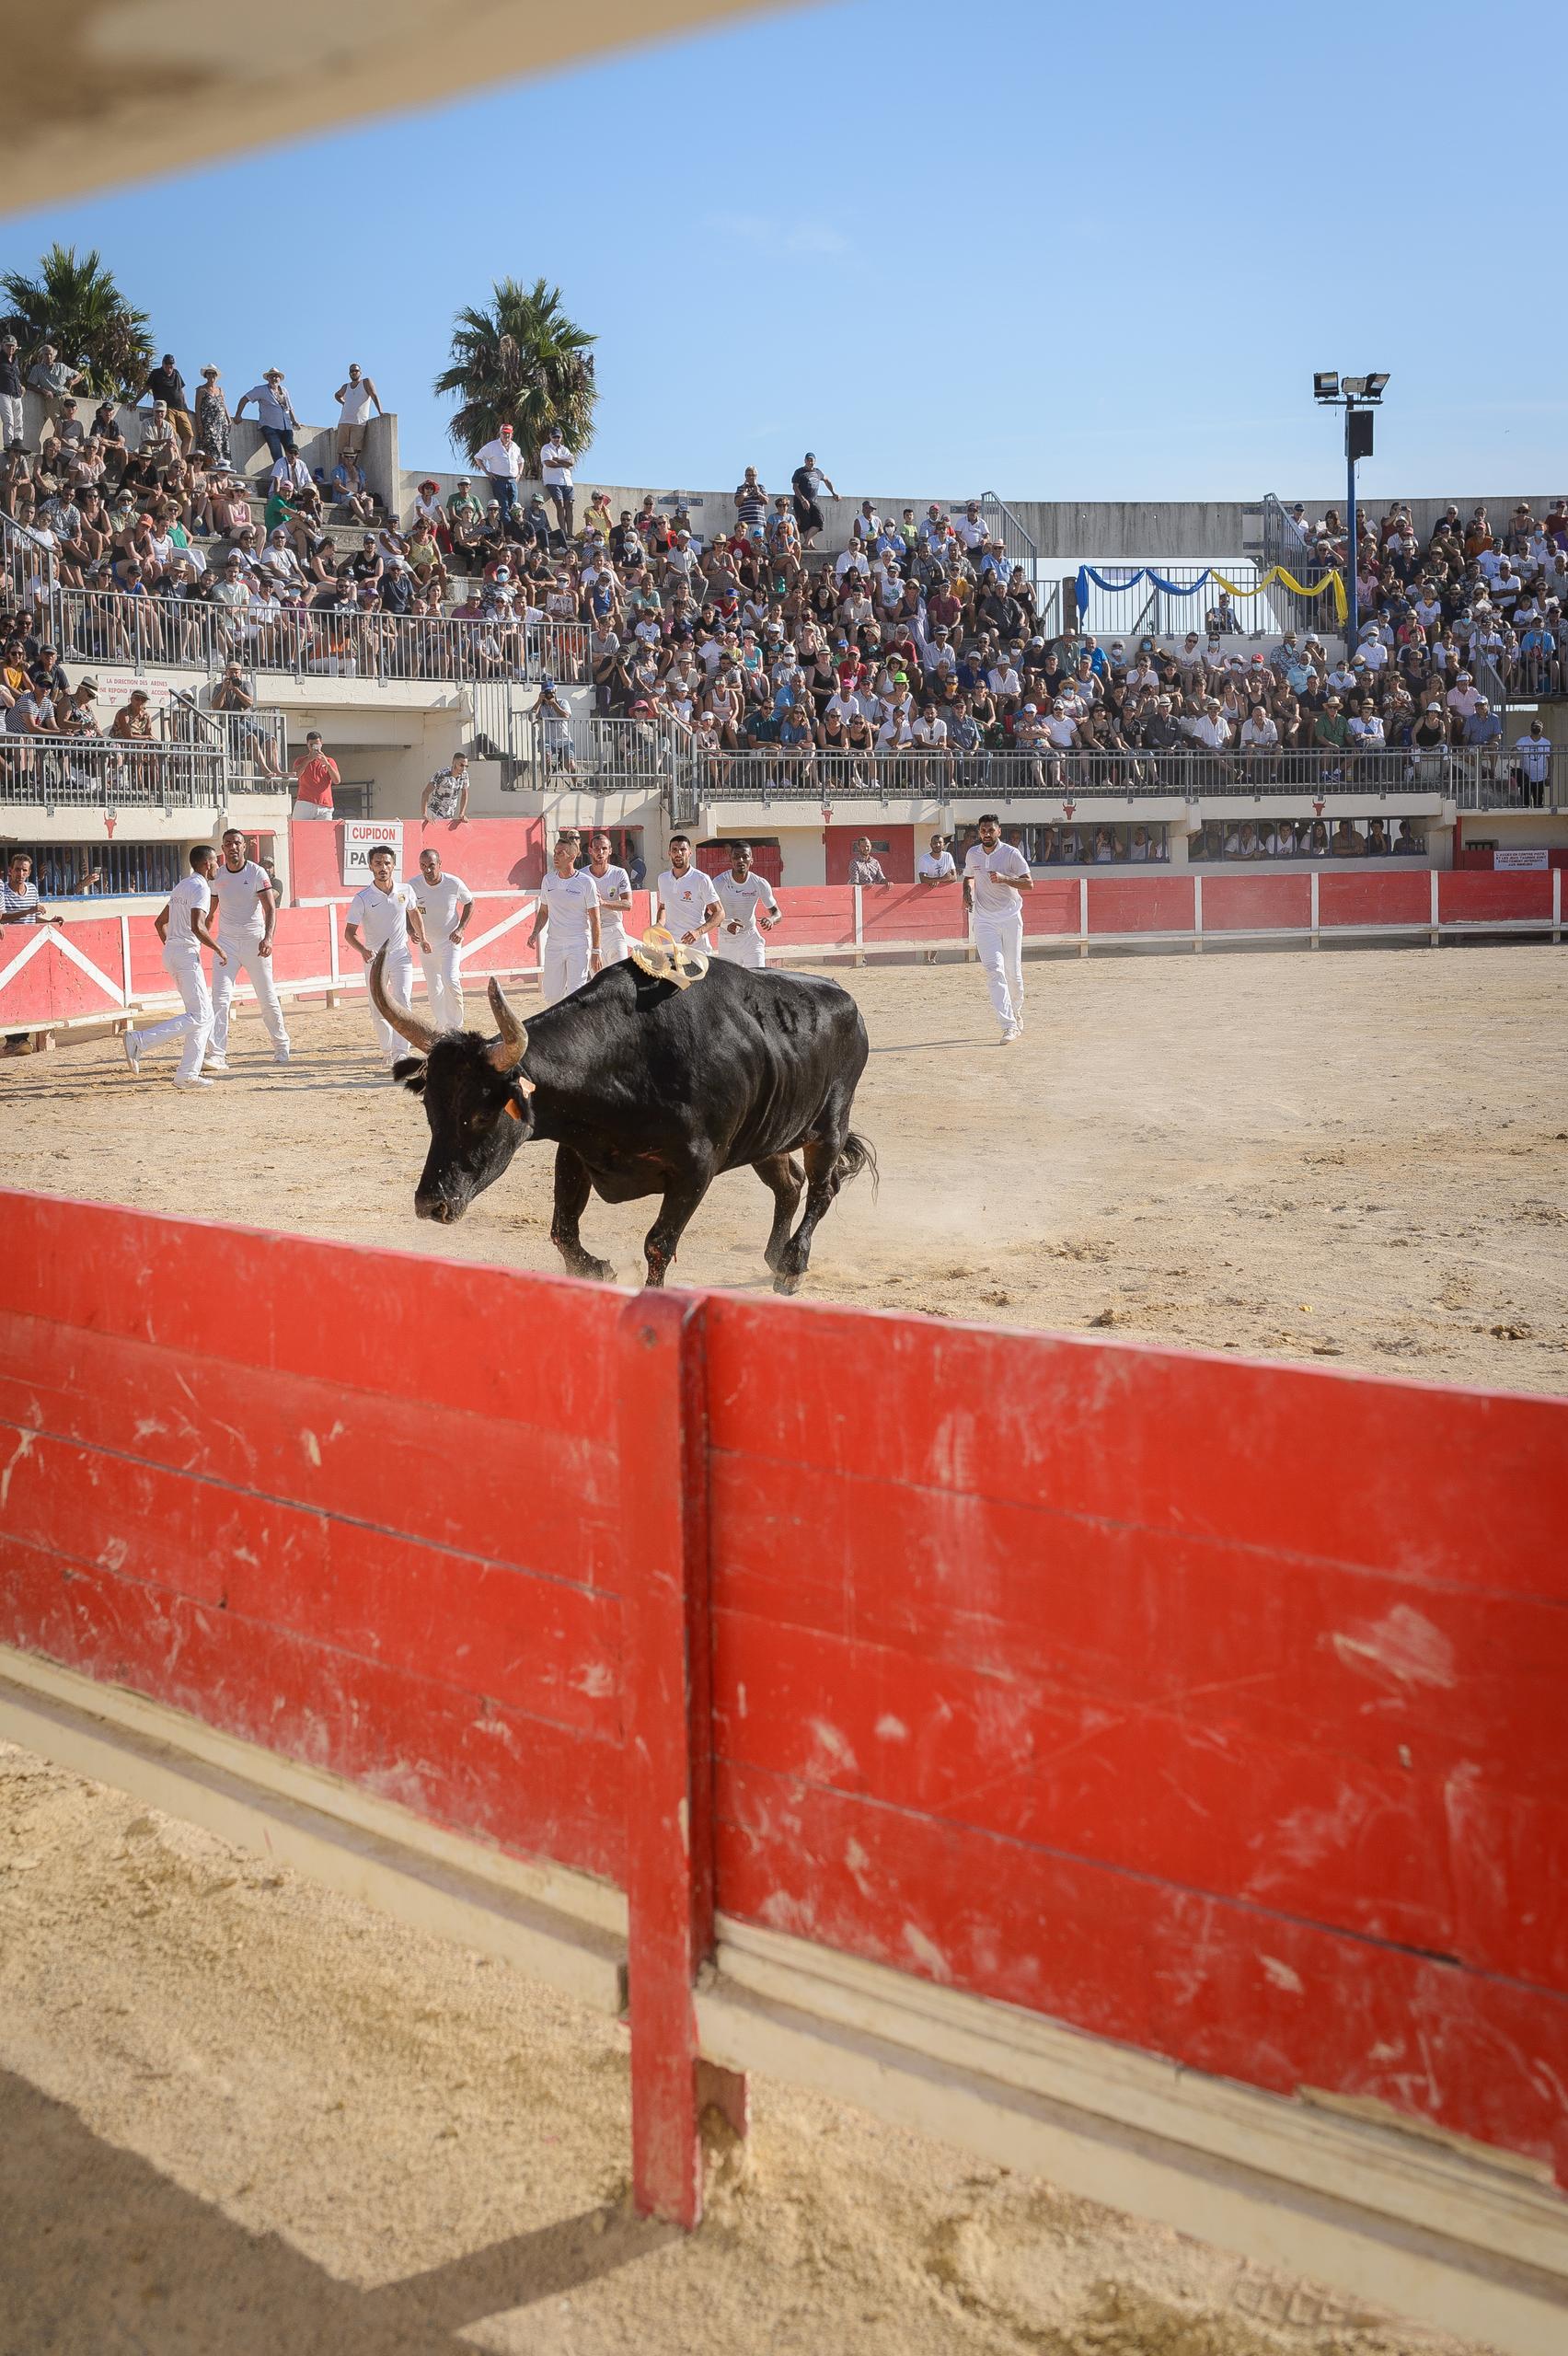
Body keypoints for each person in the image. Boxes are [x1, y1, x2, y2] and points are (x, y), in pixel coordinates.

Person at [122, 845, 227, 1089]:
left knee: (202, 1015)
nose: (217, 866)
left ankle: (187, 1074)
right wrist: (218, 948)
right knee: (201, 1015)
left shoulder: (183, 885)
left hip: (173, 952)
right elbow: (198, 926)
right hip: (185, 954)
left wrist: (173, 946)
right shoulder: (201, 887)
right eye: (215, 862)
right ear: (207, 864)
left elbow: (160, 923)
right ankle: (141, 1040)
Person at [206, 826, 290, 1068]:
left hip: (254, 941)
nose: (232, 847)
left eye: (236, 843)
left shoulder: (256, 872)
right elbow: (211, 912)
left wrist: (268, 937)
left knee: (266, 997)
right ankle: (217, 1053)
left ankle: (281, 1046)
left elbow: (270, 908)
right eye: (228, 844)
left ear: (244, 846)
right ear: (222, 849)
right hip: (226, 945)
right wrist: (203, 936)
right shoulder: (217, 877)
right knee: (219, 999)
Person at [344, 843, 431, 1069]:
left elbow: (413, 914)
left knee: (403, 999)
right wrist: (363, 950)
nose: (383, 867)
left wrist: (422, 937)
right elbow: (349, 933)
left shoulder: (406, 890)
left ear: (394, 866)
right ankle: (387, 1050)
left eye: (387, 863)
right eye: (378, 863)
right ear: (371, 867)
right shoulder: (362, 898)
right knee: (378, 1005)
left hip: (401, 954)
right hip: (375, 959)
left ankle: (402, 1052)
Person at [963, 810, 1033, 1045]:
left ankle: (1016, 1012)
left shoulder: (1011, 854)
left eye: (990, 830)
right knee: (995, 969)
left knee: (1013, 974)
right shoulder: (973, 854)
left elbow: (1029, 884)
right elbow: (968, 877)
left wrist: (1004, 879)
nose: (986, 834)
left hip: (1010, 918)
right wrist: (966, 892)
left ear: (998, 831)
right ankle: (1008, 1025)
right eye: (983, 831)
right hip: (984, 919)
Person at [529, 828, 603, 1005]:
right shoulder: (548, 880)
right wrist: (535, 932)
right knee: (552, 995)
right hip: (554, 943)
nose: (555, 856)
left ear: (572, 857)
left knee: (576, 993)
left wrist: (596, 950)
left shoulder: (586, 882)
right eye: (555, 853)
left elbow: (595, 919)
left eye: (560, 853)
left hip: (578, 943)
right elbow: (544, 911)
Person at [409, 844, 473, 1031]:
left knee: (450, 978)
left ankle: (455, 1025)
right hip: (426, 943)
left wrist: (461, 929)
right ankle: (441, 1023)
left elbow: (470, 902)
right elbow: (408, 910)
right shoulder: (412, 885)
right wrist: (410, 930)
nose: (427, 870)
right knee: (434, 985)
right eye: (423, 865)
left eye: (431, 865)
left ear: (439, 864)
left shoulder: (453, 883)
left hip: (450, 941)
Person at [711, 842, 780, 969]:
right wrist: (726, 924)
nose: (740, 860)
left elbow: (777, 913)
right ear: (731, 860)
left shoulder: (759, 883)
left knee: (758, 978)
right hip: (727, 939)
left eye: (745, 856)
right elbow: (705, 915)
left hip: (751, 938)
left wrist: (771, 919)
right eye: (736, 857)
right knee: (731, 984)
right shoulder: (719, 883)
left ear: (751, 860)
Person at [656, 834, 722, 949]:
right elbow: (663, 907)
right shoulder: (663, 879)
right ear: (669, 853)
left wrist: (698, 932)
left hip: (697, 948)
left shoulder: (701, 879)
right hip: (671, 948)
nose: (678, 853)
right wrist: (658, 926)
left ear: (690, 853)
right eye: (674, 850)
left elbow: (720, 912)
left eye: (683, 849)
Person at [584, 829, 634, 964]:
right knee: (598, 981)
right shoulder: (582, 876)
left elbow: (628, 904)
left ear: (610, 851)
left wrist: (602, 902)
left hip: (614, 930)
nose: (600, 852)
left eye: (604, 849)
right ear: (590, 850)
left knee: (620, 975)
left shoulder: (619, 873)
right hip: (590, 932)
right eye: (596, 848)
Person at [234, 368, 300, 465]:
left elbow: (290, 408)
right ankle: (281, 477)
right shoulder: (261, 390)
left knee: (292, 454)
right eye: (272, 376)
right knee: (277, 456)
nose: (274, 378)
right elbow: (244, 399)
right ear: (267, 378)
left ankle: (292, 476)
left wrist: (294, 421)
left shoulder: (284, 390)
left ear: (280, 379)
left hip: (286, 428)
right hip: (270, 427)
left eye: (276, 376)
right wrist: (238, 415)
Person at [473, 421, 523, 525]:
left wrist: (519, 474)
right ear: (500, 433)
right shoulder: (492, 446)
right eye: (504, 433)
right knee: (503, 507)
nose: (506, 435)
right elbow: (478, 458)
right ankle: (507, 533)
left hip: (513, 480)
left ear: (512, 434)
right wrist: (487, 472)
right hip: (499, 480)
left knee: (515, 507)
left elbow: (521, 461)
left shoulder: (515, 446)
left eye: (508, 433)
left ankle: (514, 532)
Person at [333, 363, 383, 461]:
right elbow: (337, 395)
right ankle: (341, 474)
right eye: (352, 371)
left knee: (353, 453)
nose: (354, 373)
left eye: (356, 371)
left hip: (358, 423)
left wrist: (380, 412)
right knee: (341, 452)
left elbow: (374, 395)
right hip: (344, 422)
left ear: (360, 372)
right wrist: (343, 403)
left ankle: (352, 474)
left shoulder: (366, 382)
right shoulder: (346, 386)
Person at [790, 452, 838, 548]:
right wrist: (803, 500)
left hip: (813, 501)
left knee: (818, 521)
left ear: (815, 461)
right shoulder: (799, 472)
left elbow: (827, 481)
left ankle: (807, 542)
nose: (810, 462)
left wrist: (833, 493)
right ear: (805, 461)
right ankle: (810, 545)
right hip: (801, 502)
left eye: (811, 460)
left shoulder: (818, 472)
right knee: (805, 523)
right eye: (808, 460)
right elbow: (795, 487)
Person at [291, 729, 339, 822]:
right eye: (311, 745)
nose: (314, 748)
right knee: (299, 832)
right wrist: (308, 760)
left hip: (324, 805)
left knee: (324, 834)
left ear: (321, 744)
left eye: (316, 745)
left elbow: (337, 780)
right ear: (307, 745)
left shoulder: (329, 761)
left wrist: (327, 764)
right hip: (305, 803)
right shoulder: (301, 760)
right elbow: (295, 776)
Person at [538, 426, 575, 538]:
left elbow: (572, 461)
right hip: (553, 480)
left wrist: (557, 459)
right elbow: (548, 463)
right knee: (560, 504)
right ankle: (563, 532)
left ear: (561, 437)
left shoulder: (565, 449)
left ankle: (570, 533)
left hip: (567, 481)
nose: (556, 439)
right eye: (554, 437)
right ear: (550, 436)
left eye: (558, 437)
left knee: (569, 505)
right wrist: (564, 464)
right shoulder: (546, 448)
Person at [421, 747, 470, 823]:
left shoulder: (464, 776)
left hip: (448, 818)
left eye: (466, 766)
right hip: (434, 815)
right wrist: (425, 814)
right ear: (453, 762)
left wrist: (462, 813)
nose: (463, 769)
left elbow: (464, 794)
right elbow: (426, 793)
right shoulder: (442, 774)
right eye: (461, 765)